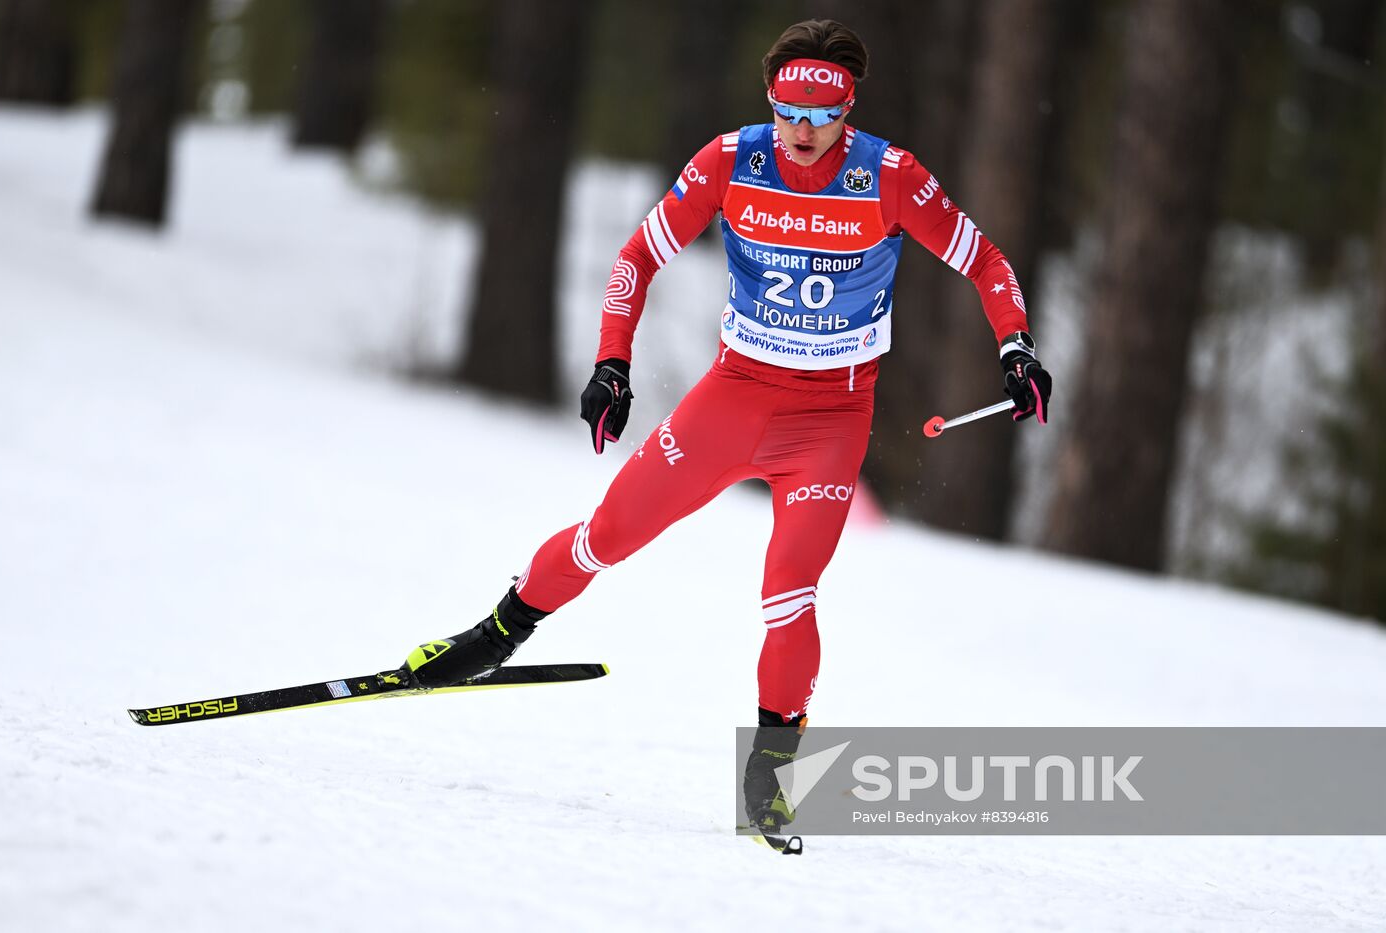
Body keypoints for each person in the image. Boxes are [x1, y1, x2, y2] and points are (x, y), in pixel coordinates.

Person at [400, 19, 1052, 836]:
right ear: (770, 104)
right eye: (789, 113)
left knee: (790, 592)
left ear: (850, 109)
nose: (805, 133)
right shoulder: (729, 160)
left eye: (825, 115)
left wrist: (1017, 348)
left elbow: (988, 262)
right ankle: (491, 637)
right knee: (608, 534)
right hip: (734, 397)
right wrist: (612, 363)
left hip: (830, 416)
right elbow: (636, 257)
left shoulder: (890, 177)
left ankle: (768, 785)